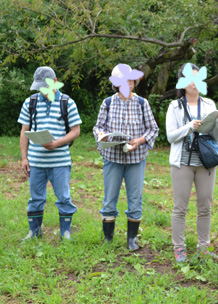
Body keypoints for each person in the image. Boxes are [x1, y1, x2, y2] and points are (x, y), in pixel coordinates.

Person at [166, 63, 218, 262]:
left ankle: (203, 247)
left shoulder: (209, 104)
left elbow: (215, 136)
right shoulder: (174, 106)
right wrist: (189, 127)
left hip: (205, 162)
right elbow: (170, 137)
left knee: (205, 206)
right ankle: (179, 248)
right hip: (182, 162)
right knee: (180, 207)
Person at [93, 64, 159, 251]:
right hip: (112, 157)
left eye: (130, 80)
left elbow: (153, 129)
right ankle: (108, 238)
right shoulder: (107, 103)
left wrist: (138, 141)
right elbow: (98, 127)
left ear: (134, 83)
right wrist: (102, 136)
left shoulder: (142, 103)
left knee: (135, 199)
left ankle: (132, 240)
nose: (127, 84)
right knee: (109, 199)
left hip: (136, 158)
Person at [18, 66, 82, 241]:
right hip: (35, 161)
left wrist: (57, 143)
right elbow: (24, 131)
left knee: (63, 197)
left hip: (59, 161)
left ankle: (65, 233)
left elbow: (76, 131)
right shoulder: (30, 102)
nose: (42, 91)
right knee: (35, 198)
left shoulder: (67, 102)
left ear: (54, 82)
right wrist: (24, 158)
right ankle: (34, 232)